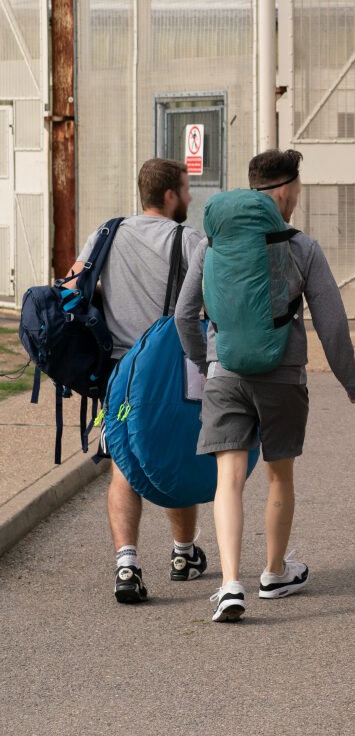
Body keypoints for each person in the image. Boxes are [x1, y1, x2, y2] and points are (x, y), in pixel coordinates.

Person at [175, 148, 355, 622]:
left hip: (225, 373)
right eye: (297, 190)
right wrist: (350, 382)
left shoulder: (211, 244)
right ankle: (275, 573)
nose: (297, 198)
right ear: (284, 191)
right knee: (279, 475)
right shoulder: (302, 247)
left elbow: (183, 314)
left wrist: (207, 361)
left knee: (228, 479)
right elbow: (332, 323)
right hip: (282, 376)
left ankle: (230, 583)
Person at [70, 158, 207, 605]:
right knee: (176, 457)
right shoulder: (188, 240)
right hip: (171, 373)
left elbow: (72, 286)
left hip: (119, 376)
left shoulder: (106, 234)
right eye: (186, 190)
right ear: (169, 195)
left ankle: (127, 564)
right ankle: (183, 555)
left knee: (124, 465)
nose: (189, 198)